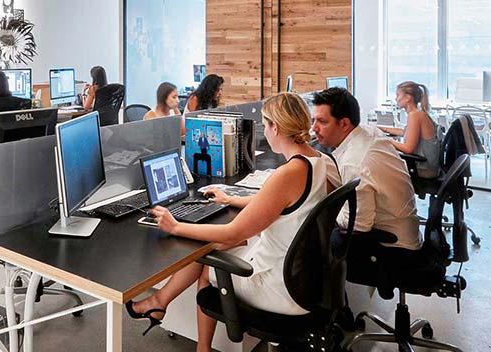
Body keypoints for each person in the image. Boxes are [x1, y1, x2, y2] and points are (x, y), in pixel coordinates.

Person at [127, 93, 340, 350]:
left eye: (265, 123)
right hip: (304, 275)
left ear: (276, 127)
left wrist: (175, 226)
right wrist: (230, 200)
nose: (264, 130)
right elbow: (277, 202)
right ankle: (160, 303)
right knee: (224, 246)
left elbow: (231, 232)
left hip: (281, 287)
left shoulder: (287, 173)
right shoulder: (319, 161)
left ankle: (196, 342)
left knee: (208, 263)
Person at [310, 87, 421, 253]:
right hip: (406, 231)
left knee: (310, 230)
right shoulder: (369, 132)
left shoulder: (354, 162)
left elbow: (358, 225)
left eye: (322, 122)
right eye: (313, 121)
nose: (314, 129)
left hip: (393, 249)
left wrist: (326, 210)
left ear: (344, 124)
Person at [380, 81, 443, 178]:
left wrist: (386, 140)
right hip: (430, 166)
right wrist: (382, 129)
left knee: (380, 167)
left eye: (398, 95)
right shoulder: (418, 113)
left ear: (408, 98)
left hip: (424, 169)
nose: (396, 98)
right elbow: (406, 132)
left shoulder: (415, 116)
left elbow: (408, 148)